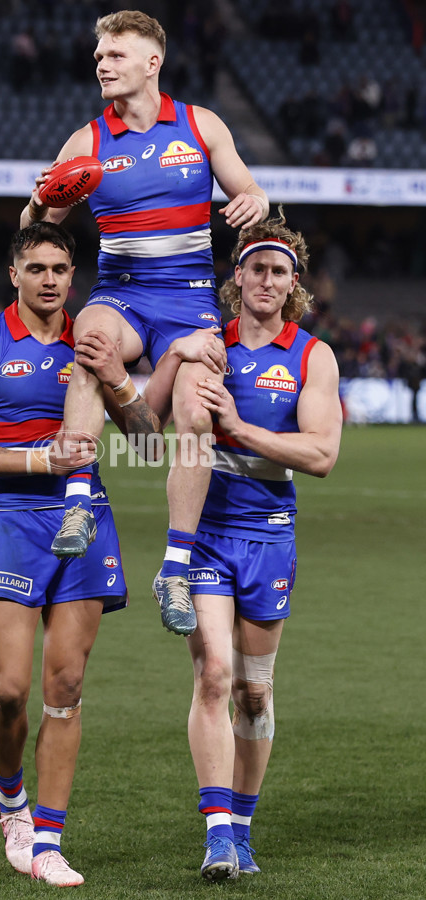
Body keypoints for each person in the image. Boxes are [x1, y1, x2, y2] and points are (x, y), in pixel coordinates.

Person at [20, 9, 268, 638]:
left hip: (190, 303)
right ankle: (78, 500)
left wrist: (255, 199)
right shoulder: (86, 142)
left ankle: (175, 567)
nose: (102, 64)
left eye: (116, 54)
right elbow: (32, 235)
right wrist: (41, 198)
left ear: (152, 62)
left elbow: (253, 194)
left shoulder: (199, 126)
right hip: (123, 294)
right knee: (91, 342)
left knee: (195, 416)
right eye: (99, 55)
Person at [0, 221, 165, 887]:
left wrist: (120, 379)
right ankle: (12, 803)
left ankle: (48, 841)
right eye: (35, 268)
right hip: (12, 520)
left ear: (74, 277)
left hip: (85, 520)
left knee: (64, 687)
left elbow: (152, 445)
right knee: (11, 690)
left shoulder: (93, 340)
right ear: (14, 273)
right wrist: (44, 457)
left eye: (60, 270)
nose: (48, 280)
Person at [142, 210, 343, 880]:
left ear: (293, 284)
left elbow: (320, 455)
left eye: (278, 270)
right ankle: (219, 833)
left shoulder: (312, 357)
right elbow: (144, 429)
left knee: (255, 693)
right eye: (256, 266)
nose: (266, 279)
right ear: (236, 275)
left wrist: (238, 427)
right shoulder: (207, 344)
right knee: (214, 677)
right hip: (207, 536)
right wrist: (172, 355)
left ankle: (245, 828)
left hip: (270, 536)